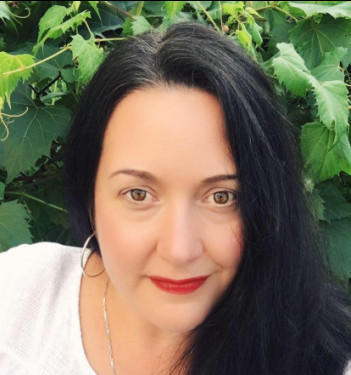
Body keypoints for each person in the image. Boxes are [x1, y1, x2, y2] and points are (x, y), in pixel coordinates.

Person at [1, 21, 351, 375]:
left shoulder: (327, 362)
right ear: (90, 197)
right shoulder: (18, 298)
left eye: (221, 197)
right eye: (139, 194)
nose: (179, 251)